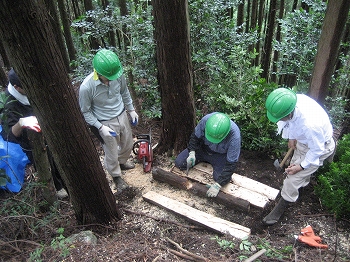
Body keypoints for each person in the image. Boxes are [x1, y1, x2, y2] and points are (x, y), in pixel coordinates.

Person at [263, 87, 335, 225]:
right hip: (304, 141)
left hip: (320, 147)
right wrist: (291, 136)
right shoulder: (291, 101)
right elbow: (290, 123)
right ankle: (299, 187)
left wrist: (301, 166)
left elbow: (317, 150)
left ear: (288, 113)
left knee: (293, 176)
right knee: (294, 165)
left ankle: (279, 209)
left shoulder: (310, 125)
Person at [1, 68, 68, 198]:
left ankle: (65, 181)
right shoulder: (9, 104)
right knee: (46, 161)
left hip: (46, 131)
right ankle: (57, 187)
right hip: (30, 142)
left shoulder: (30, 89)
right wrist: (21, 123)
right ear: (17, 87)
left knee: (56, 156)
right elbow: (8, 135)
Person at [79, 49, 139, 192]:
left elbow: (124, 92)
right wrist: (100, 127)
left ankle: (122, 162)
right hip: (105, 121)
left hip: (121, 114)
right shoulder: (86, 87)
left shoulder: (118, 75)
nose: (111, 80)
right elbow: (85, 111)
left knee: (127, 143)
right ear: (98, 73)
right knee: (111, 150)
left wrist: (131, 110)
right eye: (107, 77)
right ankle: (116, 176)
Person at [175, 112, 241, 197]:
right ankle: (199, 157)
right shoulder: (206, 120)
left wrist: (218, 185)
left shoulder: (235, 136)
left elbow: (232, 163)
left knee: (220, 179)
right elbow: (195, 137)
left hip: (220, 156)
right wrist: (192, 152)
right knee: (180, 162)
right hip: (202, 149)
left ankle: (216, 169)